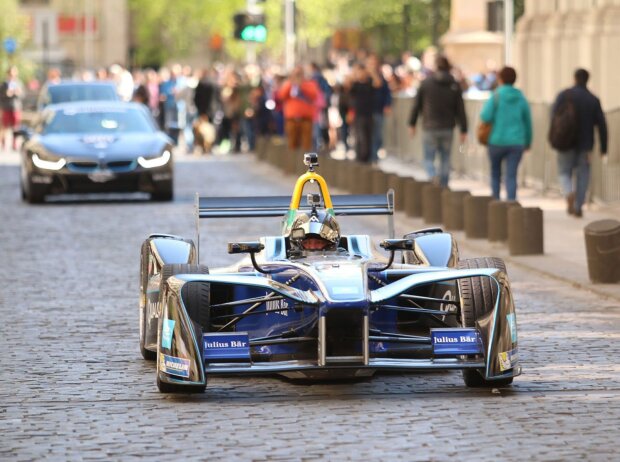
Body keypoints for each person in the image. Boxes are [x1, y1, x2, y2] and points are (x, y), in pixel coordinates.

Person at [551, 68, 608, 218]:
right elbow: (602, 125)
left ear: (574, 78)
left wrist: (553, 137)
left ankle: (569, 192)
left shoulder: (564, 95)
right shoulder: (593, 99)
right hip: (585, 144)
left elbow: (553, 117)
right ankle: (578, 206)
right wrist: (604, 148)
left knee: (564, 172)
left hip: (565, 142)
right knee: (583, 175)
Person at [408, 55, 467, 187]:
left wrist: (412, 123)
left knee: (429, 157)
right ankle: (444, 185)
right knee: (445, 158)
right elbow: (460, 109)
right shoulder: (454, 84)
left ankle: (432, 174)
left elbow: (416, 105)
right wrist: (464, 129)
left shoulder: (426, 83)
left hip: (430, 126)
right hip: (448, 127)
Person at [479, 66, 532, 201]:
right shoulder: (521, 97)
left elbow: (485, 116)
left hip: (496, 141)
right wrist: (528, 142)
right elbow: (528, 122)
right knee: (511, 175)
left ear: (500, 79)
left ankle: (496, 203)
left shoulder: (496, 95)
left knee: (495, 173)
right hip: (516, 142)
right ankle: (511, 203)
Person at [276, 65, 318, 151]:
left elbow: (314, 95)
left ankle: (309, 165)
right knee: (292, 145)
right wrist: (291, 83)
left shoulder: (309, 84)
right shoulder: (288, 84)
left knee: (307, 145)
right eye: (295, 74)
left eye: (299, 74)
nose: (297, 76)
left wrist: (301, 85)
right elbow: (281, 96)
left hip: (306, 119)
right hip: (291, 119)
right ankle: (291, 164)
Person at [347, 63, 380, 164]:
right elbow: (347, 84)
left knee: (369, 137)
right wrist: (355, 72)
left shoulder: (369, 83)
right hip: (359, 115)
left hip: (369, 114)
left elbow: (378, 83)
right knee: (361, 138)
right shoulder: (356, 85)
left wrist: (371, 72)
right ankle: (360, 158)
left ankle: (367, 159)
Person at [367, 54, 392, 163]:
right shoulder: (365, 76)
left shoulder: (381, 76)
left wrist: (387, 105)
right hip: (367, 111)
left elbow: (386, 92)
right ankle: (370, 156)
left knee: (377, 135)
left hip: (378, 110)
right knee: (368, 135)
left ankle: (374, 156)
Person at [0, 66, 24, 151]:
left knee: (16, 126)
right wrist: (7, 93)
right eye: (11, 74)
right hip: (6, 107)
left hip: (16, 107)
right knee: (4, 126)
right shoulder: (4, 84)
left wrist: (18, 92)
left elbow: (22, 95)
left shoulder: (19, 83)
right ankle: (3, 143)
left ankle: (14, 143)